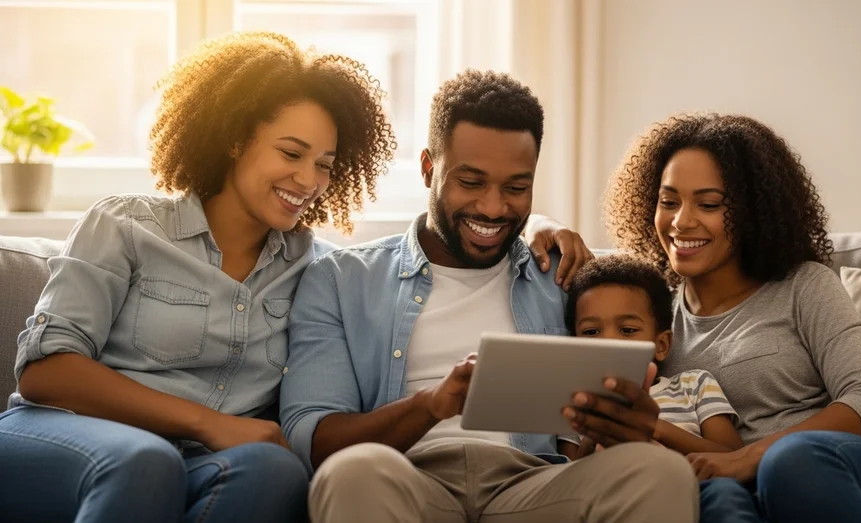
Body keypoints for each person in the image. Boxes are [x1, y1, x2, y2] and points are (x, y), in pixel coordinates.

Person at [0, 32, 581, 523]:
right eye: (291, 152)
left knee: (275, 469)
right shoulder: (126, 225)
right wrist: (211, 424)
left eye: (325, 165)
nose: (307, 179)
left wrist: (538, 230)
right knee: (144, 462)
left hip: (200, 458)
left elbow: (452, 239)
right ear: (235, 136)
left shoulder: (315, 267)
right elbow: (47, 369)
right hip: (66, 432)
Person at [280, 69, 699, 523]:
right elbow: (313, 438)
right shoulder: (342, 279)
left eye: (516, 188)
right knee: (353, 472)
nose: (494, 208)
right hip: (404, 480)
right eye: (472, 182)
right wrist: (430, 405)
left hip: (534, 484)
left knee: (659, 470)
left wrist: (626, 427)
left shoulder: (565, 274)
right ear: (427, 169)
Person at [603, 112, 861, 523]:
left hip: (859, 473)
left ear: (753, 211)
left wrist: (752, 457)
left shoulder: (804, 286)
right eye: (668, 201)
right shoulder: (653, 319)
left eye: (709, 204)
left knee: (788, 460)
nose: (681, 221)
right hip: (743, 494)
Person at [559, 253, 742, 460]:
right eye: (591, 332)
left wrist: (654, 427)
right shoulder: (577, 404)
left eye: (628, 330)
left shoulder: (694, 385)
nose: (608, 342)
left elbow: (732, 457)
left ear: (661, 345)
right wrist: (597, 433)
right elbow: (569, 475)